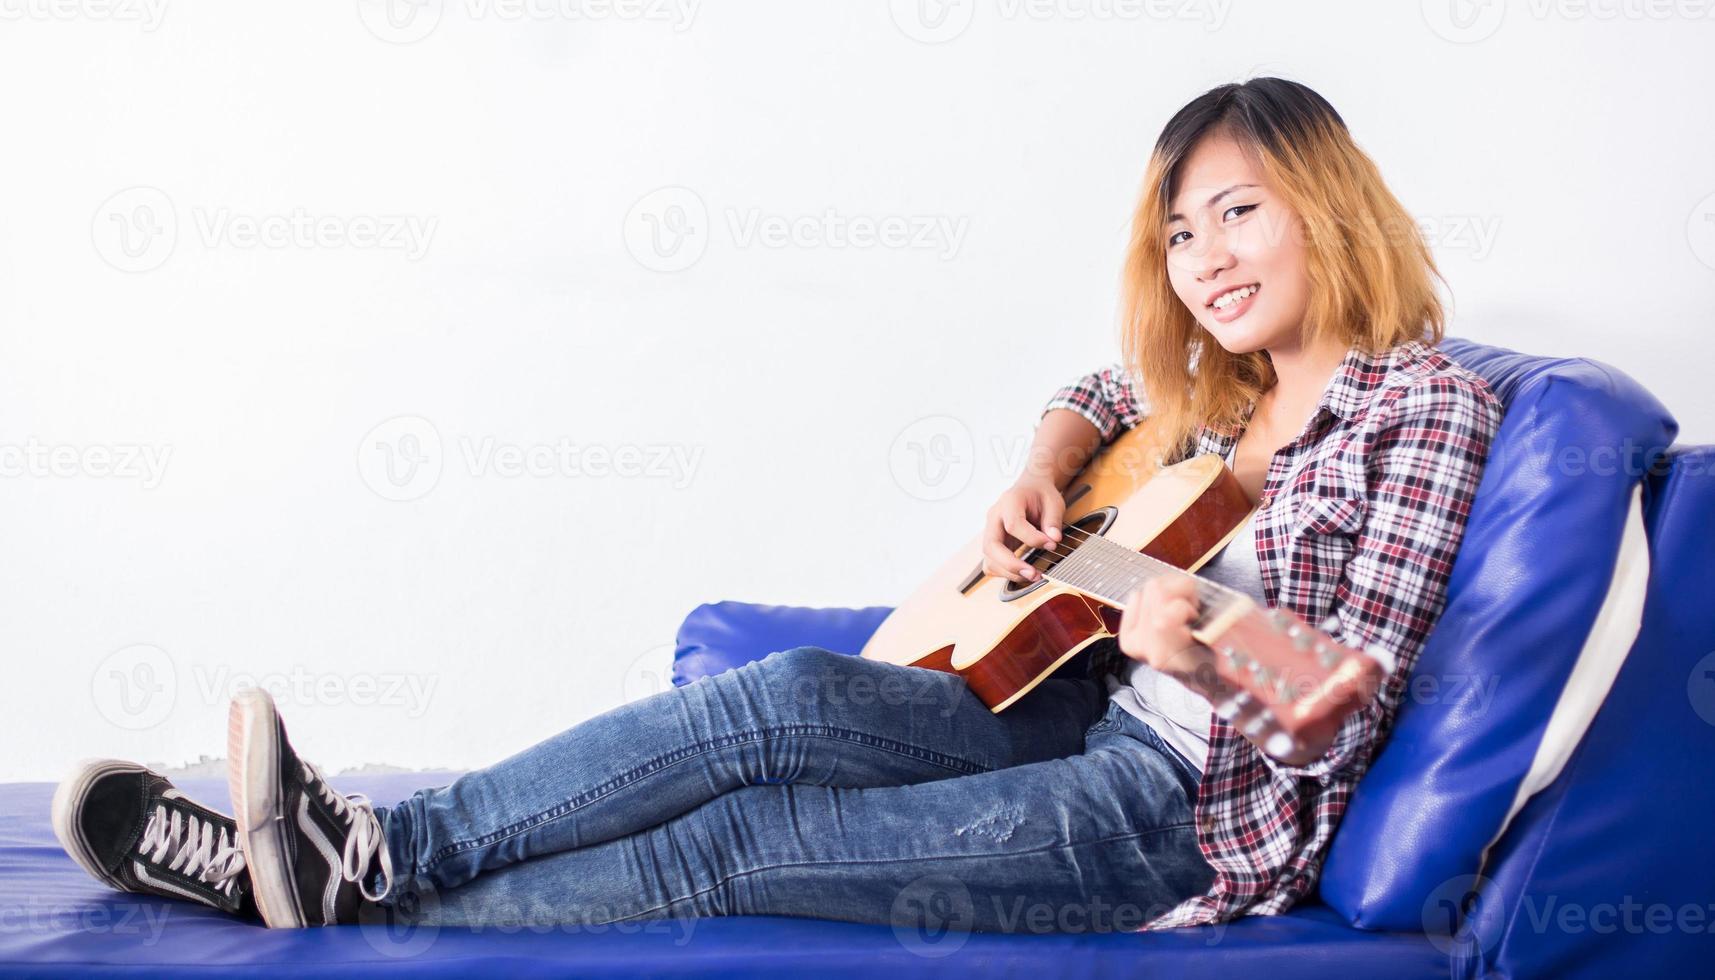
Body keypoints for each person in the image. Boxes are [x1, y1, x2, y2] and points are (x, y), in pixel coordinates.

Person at [52, 76, 1503, 935]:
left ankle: (314, 906)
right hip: (1071, 699)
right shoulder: (1219, 390)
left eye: (1239, 212)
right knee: (777, 700)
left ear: (1328, 202)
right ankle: (373, 849)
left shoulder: (1423, 404)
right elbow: (1104, 392)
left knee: (746, 839)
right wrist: (1043, 471)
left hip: (1178, 808)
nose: (1203, 259)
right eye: (1181, 233)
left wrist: (1203, 649)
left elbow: (1345, 711)